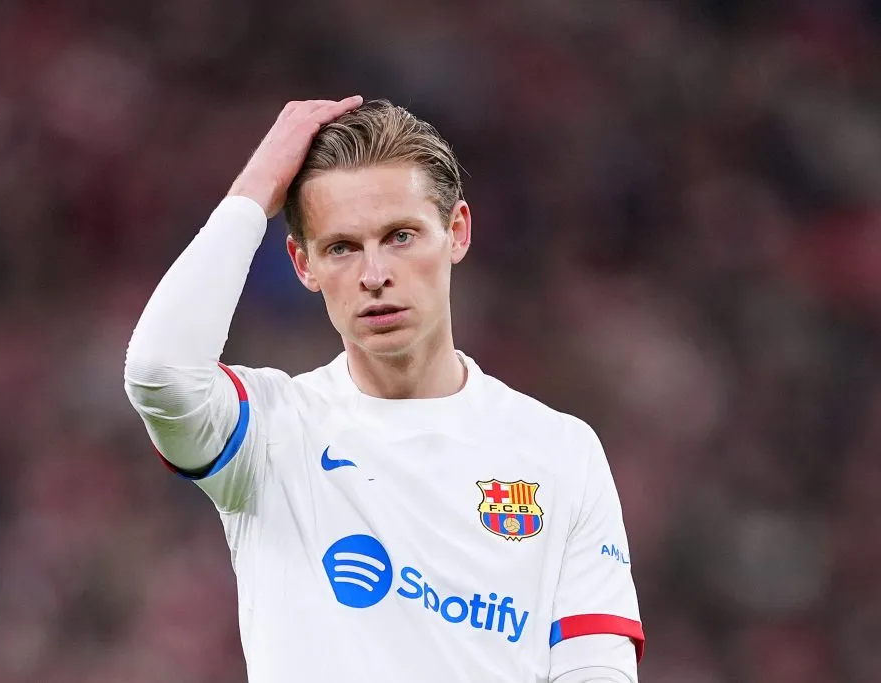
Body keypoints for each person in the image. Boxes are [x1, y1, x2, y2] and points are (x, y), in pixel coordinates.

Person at [124, 96, 644, 683]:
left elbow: (597, 670)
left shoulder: (560, 452)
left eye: (400, 236)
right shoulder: (270, 433)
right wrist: (257, 187)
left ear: (457, 232)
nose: (374, 275)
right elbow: (159, 373)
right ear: (303, 264)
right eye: (341, 247)